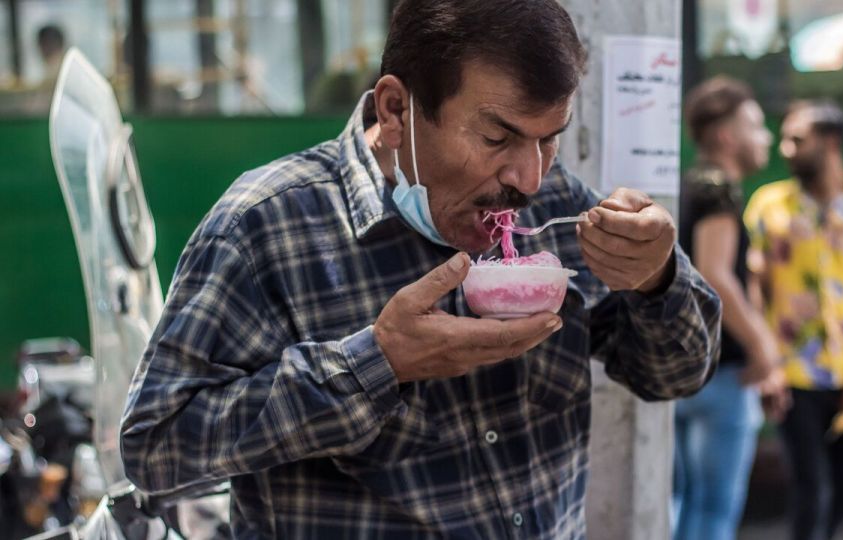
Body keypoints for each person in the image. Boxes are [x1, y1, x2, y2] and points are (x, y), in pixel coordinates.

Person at [119, 0, 721, 537]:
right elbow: (155, 448)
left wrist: (657, 277)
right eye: (496, 137)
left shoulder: (557, 200)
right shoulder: (267, 225)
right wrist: (374, 364)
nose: (528, 179)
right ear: (397, 108)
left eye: (549, 140)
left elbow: (674, 374)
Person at [744, 100, 843, 540]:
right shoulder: (767, 206)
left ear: (831, 143)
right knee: (811, 490)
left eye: (798, 139)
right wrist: (768, 364)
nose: (786, 148)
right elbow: (754, 290)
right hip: (792, 375)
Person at [671, 76, 781, 540]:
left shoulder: (687, 184)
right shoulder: (718, 188)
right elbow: (716, 272)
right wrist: (764, 347)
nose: (767, 137)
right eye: (755, 126)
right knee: (714, 512)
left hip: (681, 367)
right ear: (724, 136)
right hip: (723, 372)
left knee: (679, 504)